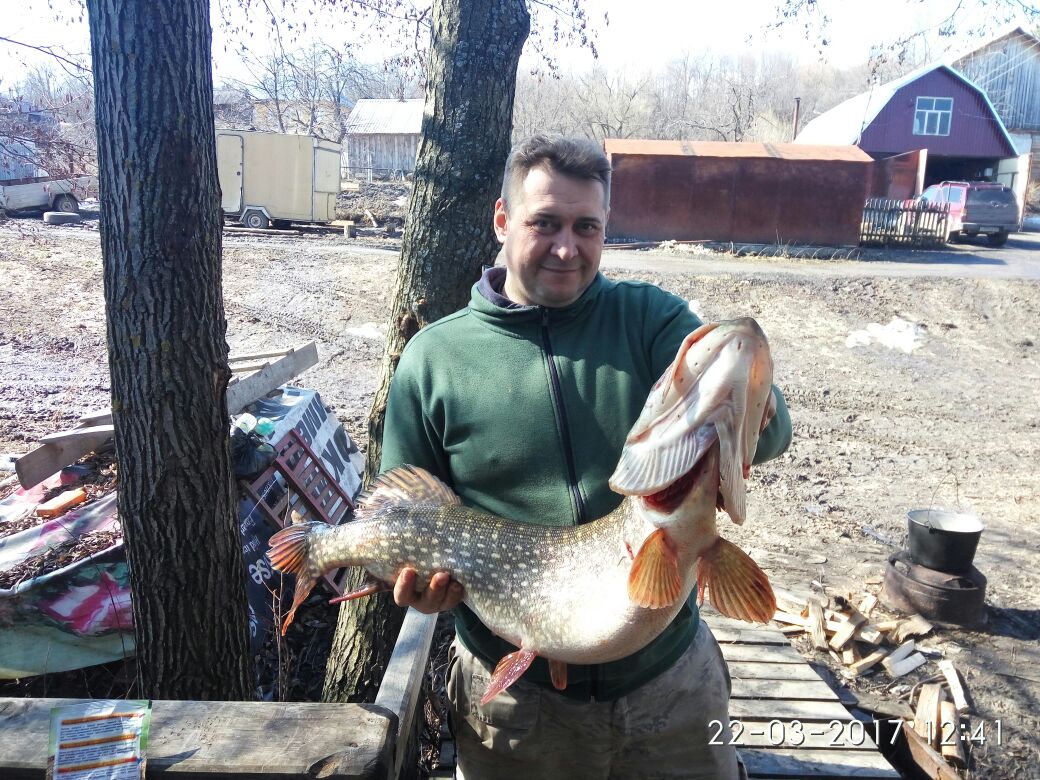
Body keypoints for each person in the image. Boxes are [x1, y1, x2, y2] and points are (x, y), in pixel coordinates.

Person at [380, 134, 792, 780]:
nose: (567, 247)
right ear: (502, 220)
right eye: (545, 223)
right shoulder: (433, 361)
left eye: (586, 226)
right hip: (517, 710)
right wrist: (418, 587)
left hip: (672, 691)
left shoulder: (648, 319)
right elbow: (404, 521)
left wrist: (752, 399)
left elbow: (770, 436)